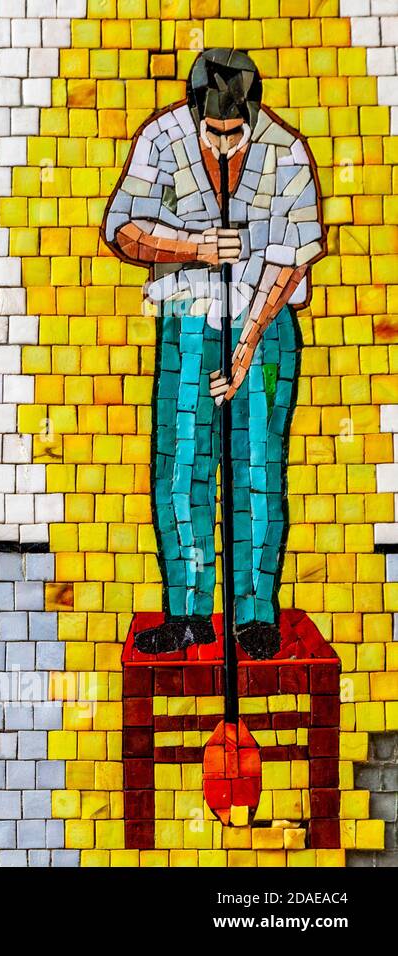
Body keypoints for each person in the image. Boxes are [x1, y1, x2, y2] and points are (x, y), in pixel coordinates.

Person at [102, 49, 324, 658]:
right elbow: (120, 228)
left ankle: (255, 615)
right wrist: (193, 247)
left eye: (235, 133)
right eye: (213, 131)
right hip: (188, 323)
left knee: (257, 468)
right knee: (181, 467)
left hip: (266, 324)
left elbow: (294, 258)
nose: (224, 145)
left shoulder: (288, 154)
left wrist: (248, 346)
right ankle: (190, 612)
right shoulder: (160, 140)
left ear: (253, 117)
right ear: (195, 113)